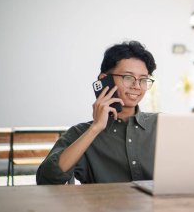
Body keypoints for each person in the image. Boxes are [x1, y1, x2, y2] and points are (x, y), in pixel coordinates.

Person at [36, 40, 157, 184]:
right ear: (104, 80)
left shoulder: (162, 125)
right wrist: (95, 128)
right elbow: (46, 179)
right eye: (128, 77)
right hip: (103, 206)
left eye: (143, 79)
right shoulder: (80, 134)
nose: (136, 86)